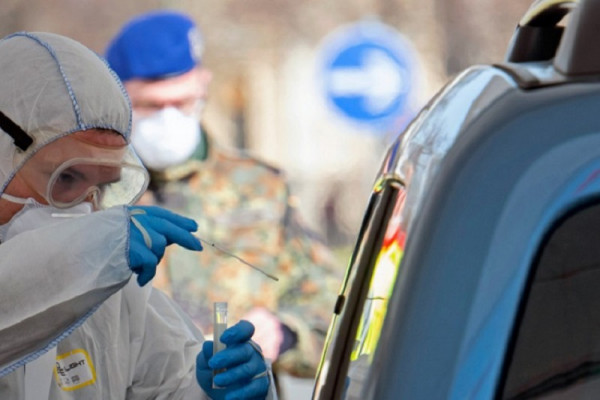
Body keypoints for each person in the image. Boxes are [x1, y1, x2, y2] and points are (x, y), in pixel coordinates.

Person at [0, 31, 275, 400]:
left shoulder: (109, 293)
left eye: (101, 189)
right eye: (66, 178)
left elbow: (170, 380)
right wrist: (87, 255)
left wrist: (211, 390)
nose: (86, 211)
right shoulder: (85, 265)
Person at [105, 10, 343, 381]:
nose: (169, 119)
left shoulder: (259, 189)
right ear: (117, 100)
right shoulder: (88, 192)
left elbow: (336, 310)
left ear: (203, 86)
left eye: (182, 102)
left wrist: (283, 332)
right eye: (151, 105)